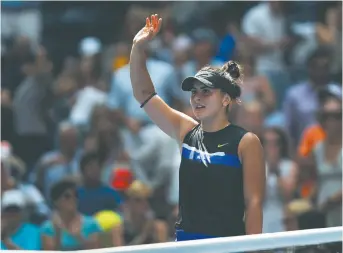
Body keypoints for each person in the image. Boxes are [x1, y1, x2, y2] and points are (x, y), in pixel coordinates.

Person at [128, 14, 265, 241]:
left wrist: (250, 248)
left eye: (206, 92)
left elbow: (254, 202)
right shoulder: (186, 130)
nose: (197, 98)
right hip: (186, 243)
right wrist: (137, 47)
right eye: (194, 92)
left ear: (225, 99)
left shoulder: (246, 142)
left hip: (227, 245)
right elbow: (144, 95)